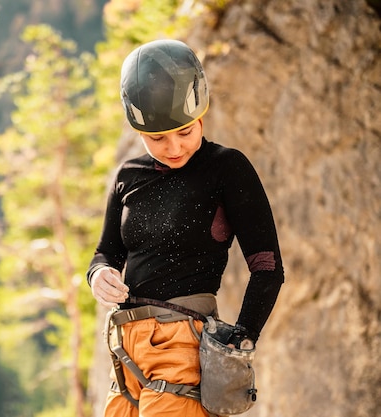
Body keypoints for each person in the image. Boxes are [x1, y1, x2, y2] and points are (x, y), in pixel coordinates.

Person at [87, 39, 284, 417]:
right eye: (157, 139)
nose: (174, 147)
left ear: (201, 116)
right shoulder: (128, 176)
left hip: (184, 346)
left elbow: (267, 266)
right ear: (137, 130)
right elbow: (106, 253)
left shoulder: (226, 168)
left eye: (185, 132)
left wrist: (240, 339)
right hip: (124, 351)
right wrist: (98, 274)